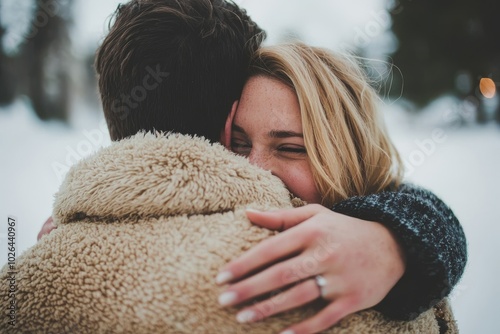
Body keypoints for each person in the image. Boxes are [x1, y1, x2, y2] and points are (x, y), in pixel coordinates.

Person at [36, 0, 466, 330]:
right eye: (237, 143)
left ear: (347, 154)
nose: (255, 169)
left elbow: (408, 201)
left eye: (291, 148)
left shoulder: (374, 268)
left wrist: (392, 243)